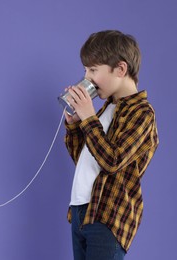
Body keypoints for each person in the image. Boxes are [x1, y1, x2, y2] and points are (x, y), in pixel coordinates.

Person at [63, 30, 159, 260]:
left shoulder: (141, 113)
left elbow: (112, 161)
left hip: (107, 216)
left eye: (93, 70)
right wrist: (77, 125)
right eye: (86, 70)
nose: (87, 78)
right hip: (80, 211)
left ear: (121, 69)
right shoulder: (108, 108)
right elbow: (85, 159)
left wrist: (89, 118)